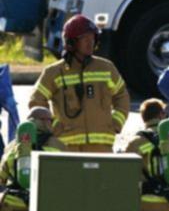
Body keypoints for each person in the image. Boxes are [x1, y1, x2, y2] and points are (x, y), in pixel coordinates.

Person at [29, 15, 130, 152]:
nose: (90, 43)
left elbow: (121, 96)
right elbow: (36, 102)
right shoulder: (54, 72)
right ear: (70, 43)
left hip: (102, 147)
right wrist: (56, 127)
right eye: (85, 39)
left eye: (92, 38)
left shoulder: (106, 68)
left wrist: (116, 123)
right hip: (67, 148)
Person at [0, 107, 65, 211]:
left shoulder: (12, 147)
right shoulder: (57, 145)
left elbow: (1, 178)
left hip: (17, 202)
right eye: (50, 121)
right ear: (44, 122)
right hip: (48, 203)